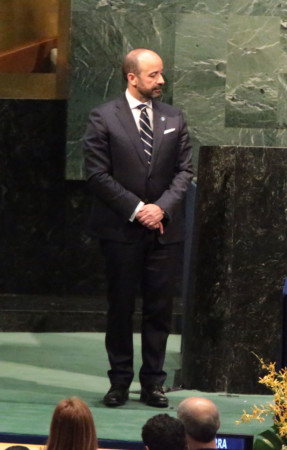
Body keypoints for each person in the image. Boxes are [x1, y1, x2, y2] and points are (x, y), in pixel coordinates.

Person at [83, 48, 194, 408]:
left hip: (164, 232)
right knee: (120, 308)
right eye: (154, 75)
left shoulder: (174, 117)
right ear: (132, 77)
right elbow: (97, 175)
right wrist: (137, 209)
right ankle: (119, 382)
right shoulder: (103, 118)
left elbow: (184, 172)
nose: (161, 81)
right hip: (120, 232)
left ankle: (153, 384)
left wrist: (159, 209)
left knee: (159, 309)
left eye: (161, 74)